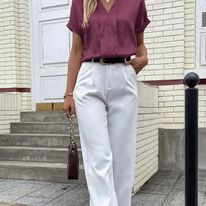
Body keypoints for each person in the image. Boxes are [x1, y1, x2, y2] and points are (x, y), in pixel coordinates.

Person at [63, 0, 150, 205]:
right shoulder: (81, 2)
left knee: (123, 159)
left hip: (123, 77)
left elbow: (139, 44)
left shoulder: (135, 2)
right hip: (90, 77)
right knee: (98, 159)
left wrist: (143, 58)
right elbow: (76, 51)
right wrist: (68, 93)